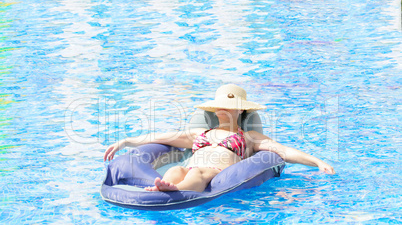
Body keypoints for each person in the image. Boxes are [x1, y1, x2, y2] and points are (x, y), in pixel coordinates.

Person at [104, 84, 335, 192]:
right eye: (220, 106)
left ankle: (175, 191)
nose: (223, 109)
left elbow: (282, 151)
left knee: (197, 173)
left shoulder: (248, 137)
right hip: (191, 168)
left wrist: (317, 162)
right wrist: (126, 141)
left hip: (214, 173)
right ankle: (169, 186)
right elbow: (164, 136)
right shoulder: (199, 134)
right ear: (214, 110)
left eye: (230, 106)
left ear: (241, 111)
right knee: (177, 172)